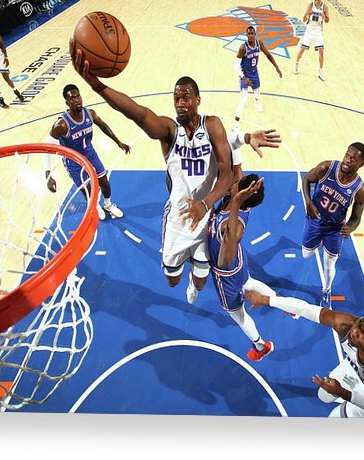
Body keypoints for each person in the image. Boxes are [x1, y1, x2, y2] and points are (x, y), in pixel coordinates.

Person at [69, 38, 280, 303]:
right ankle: (182, 266)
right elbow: (138, 113)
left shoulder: (212, 125)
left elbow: (226, 174)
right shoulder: (169, 131)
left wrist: (205, 204)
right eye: (176, 98)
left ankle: (194, 281)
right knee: (171, 280)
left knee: (201, 281)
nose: (180, 103)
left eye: (185, 98)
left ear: (197, 100)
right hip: (177, 218)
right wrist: (96, 85)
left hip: (205, 215)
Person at [243, 289, 364, 418]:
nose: (355, 331)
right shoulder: (346, 325)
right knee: (324, 396)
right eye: (361, 322)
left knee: (334, 419)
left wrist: (343, 393)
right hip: (355, 369)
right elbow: (304, 308)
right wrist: (266, 300)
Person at [207, 172, 277, 361]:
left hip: (226, 273)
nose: (235, 179)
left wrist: (236, 202)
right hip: (239, 263)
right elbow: (233, 167)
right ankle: (281, 302)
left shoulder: (234, 227)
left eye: (237, 181)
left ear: (242, 193)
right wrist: (243, 140)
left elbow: (223, 261)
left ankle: (261, 346)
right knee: (248, 281)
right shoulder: (234, 198)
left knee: (238, 314)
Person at [44, 84, 130, 220]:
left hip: (90, 154)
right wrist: (48, 174)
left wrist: (118, 142)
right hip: (74, 162)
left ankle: (107, 204)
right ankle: (95, 206)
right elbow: (47, 147)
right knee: (89, 191)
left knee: (105, 183)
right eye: (72, 98)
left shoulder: (89, 113)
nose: (76, 100)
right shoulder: (61, 125)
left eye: (78, 96)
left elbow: (103, 126)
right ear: (67, 102)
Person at [301, 143, 364, 308]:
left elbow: (356, 217)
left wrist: (351, 228)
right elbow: (306, 179)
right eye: (347, 155)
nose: (347, 160)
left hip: (335, 229)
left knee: (329, 264)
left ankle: (326, 290)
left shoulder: (360, 190)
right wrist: (308, 202)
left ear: (361, 163)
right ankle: (316, 242)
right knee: (306, 255)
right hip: (315, 220)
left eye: (353, 159)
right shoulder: (326, 168)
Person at [234, 25, 282, 122]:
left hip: (254, 72)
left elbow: (268, 55)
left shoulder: (259, 44)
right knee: (244, 98)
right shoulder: (243, 47)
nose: (250, 36)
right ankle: (236, 120)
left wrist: (276, 67)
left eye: (252, 34)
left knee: (257, 91)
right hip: (245, 73)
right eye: (249, 34)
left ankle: (256, 102)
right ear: (246, 35)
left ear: (255, 34)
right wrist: (243, 78)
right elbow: (236, 64)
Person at [294, 0, 329, 81]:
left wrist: (324, 17)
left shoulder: (325, 7)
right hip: (309, 29)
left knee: (321, 51)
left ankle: (320, 71)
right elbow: (303, 19)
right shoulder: (310, 5)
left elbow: (327, 21)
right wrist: (307, 15)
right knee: (302, 49)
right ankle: (296, 64)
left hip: (318, 30)